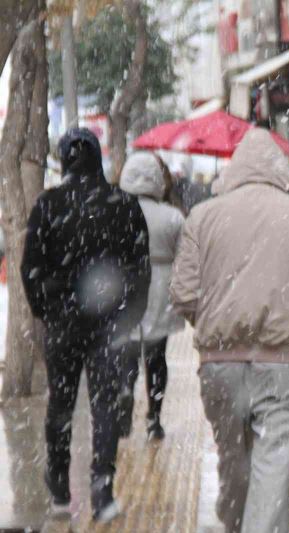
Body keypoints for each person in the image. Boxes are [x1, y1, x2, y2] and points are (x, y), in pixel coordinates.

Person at [170, 128, 289, 533]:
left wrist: (214, 326)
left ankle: (235, 523)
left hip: (219, 366)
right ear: (280, 169)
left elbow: (183, 293)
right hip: (286, 365)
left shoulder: (203, 216)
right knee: (273, 469)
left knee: (236, 463)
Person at [21, 128, 151, 522]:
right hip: (109, 325)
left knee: (60, 405)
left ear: (63, 160)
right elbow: (140, 269)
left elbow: (30, 268)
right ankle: (102, 489)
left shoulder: (48, 204)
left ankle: (60, 487)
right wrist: (129, 315)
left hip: (63, 325)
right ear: (98, 157)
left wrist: (46, 310)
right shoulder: (123, 204)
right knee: (105, 406)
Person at [117, 152, 186, 440]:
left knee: (128, 354)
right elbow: (185, 258)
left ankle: (124, 394)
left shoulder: (117, 212)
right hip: (161, 285)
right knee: (157, 357)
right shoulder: (172, 216)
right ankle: (154, 416)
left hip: (127, 286)